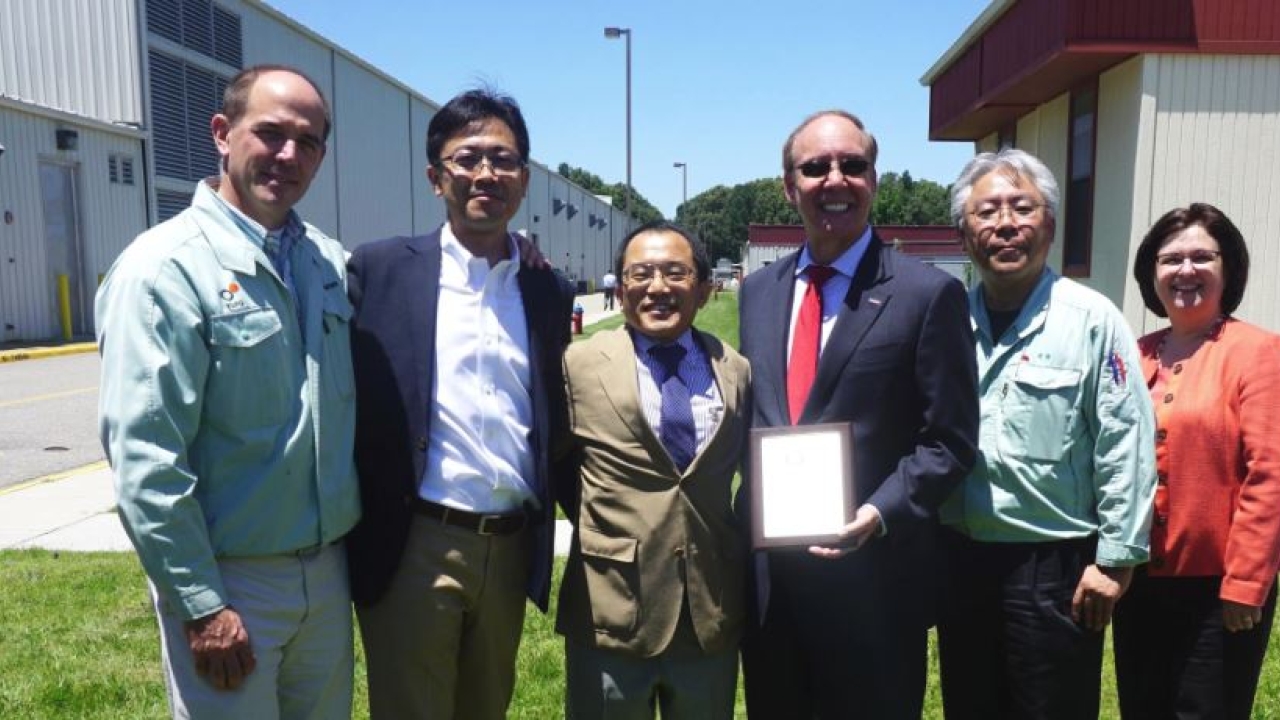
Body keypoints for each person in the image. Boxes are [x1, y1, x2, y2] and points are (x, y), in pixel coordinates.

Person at [96, 65, 358, 719]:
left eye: (310, 141)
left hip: (327, 576)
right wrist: (200, 602)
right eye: (269, 133)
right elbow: (148, 460)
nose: (289, 155)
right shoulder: (163, 270)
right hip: (233, 580)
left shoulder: (326, 261)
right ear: (222, 133)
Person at [736, 109, 979, 718]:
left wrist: (877, 513)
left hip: (875, 586)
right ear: (790, 186)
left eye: (853, 165)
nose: (835, 179)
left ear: (874, 178)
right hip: (772, 590)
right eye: (815, 167)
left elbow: (949, 440)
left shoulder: (926, 294)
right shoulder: (757, 293)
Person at [344, 88, 575, 720]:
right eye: (467, 157)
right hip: (416, 540)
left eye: (503, 160)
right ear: (435, 175)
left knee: (486, 709)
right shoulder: (379, 270)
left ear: (524, 179)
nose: (486, 174)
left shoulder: (546, 288)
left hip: (509, 548)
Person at [936, 148, 1156, 719]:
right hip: (961, 563)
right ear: (964, 233)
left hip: (1053, 568)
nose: (1006, 224)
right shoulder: (946, 322)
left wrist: (1116, 560)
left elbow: (1126, 439)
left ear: (1050, 225)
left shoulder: (1091, 319)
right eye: (987, 212)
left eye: (1022, 208)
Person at [556, 221, 749, 719]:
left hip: (709, 609)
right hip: (612, 608)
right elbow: (555, 464)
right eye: (641, 274)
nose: (658, 288)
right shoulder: (577, 366)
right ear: (621, 291)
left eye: (675, 273)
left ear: (705, 289)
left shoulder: (735, 369)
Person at [1113, 203, 1280, 719]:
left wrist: (1246, 584)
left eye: (1202, 257)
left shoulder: (1259, 352)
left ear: (1228, 269)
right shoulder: (1131, 354)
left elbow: (1270, 475)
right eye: (1170, 259)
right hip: (1136, 583)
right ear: (1151, 273)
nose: (1185, 271)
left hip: (1218, 591)